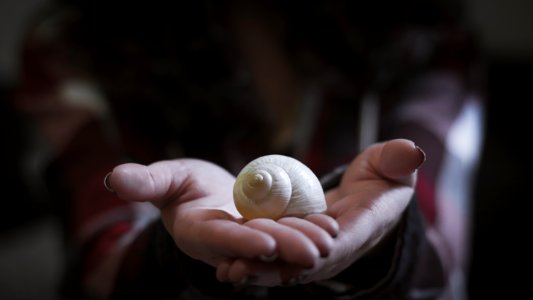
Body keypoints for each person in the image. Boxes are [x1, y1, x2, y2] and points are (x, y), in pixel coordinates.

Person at [11, 0, 485, 299]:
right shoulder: (74, 47)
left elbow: (440, 273)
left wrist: (384, 248)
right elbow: (100, 271)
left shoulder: (427, 31)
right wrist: (172, 250)